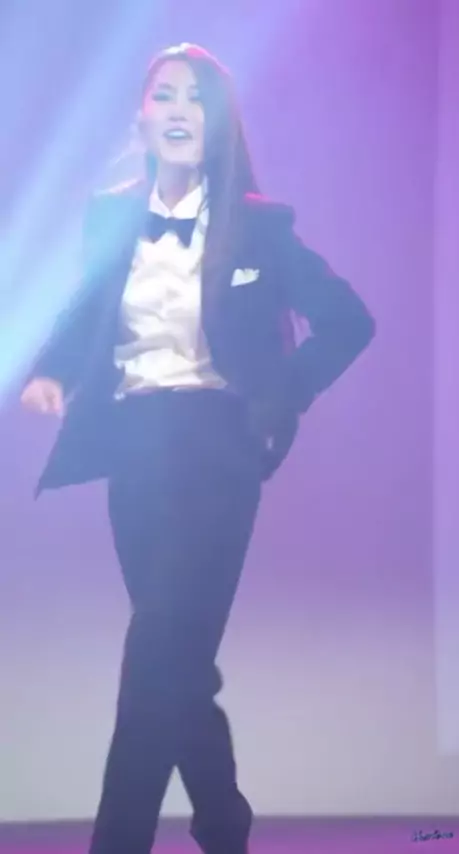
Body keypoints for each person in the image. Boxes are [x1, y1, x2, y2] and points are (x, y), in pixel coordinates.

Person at [21, 43, 375, 854]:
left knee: (153, 659)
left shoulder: (259, 226)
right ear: (142, 118)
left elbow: (350, 320)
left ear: (218, 124)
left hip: (216, 453)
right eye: (166, 96)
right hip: (133, 455)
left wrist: (281, 391)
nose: (180, 111)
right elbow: (85, 312)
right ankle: (224, 825)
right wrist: (51, 371)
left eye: (198, 99)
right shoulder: (111, 218)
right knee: (177, 665)